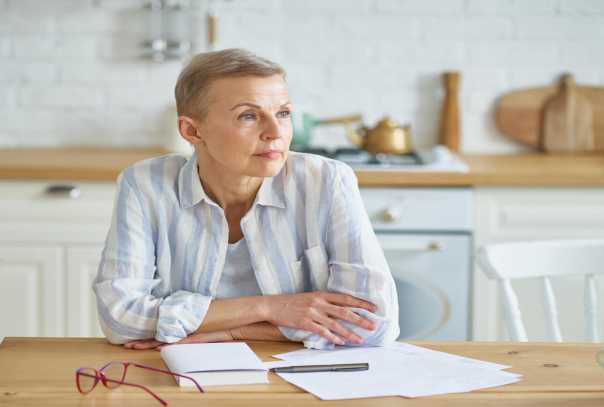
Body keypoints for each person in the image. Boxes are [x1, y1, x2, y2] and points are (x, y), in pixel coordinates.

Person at [93, 48, 399, 351]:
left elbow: (374, 323)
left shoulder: (327, 181)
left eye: (283, 113)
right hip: (181, 375)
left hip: (300, 378)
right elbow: (120, 318)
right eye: (249, 116)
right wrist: (269, 308)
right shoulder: (145, 185)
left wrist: (232, 332)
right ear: (192, 130)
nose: (275, 131)